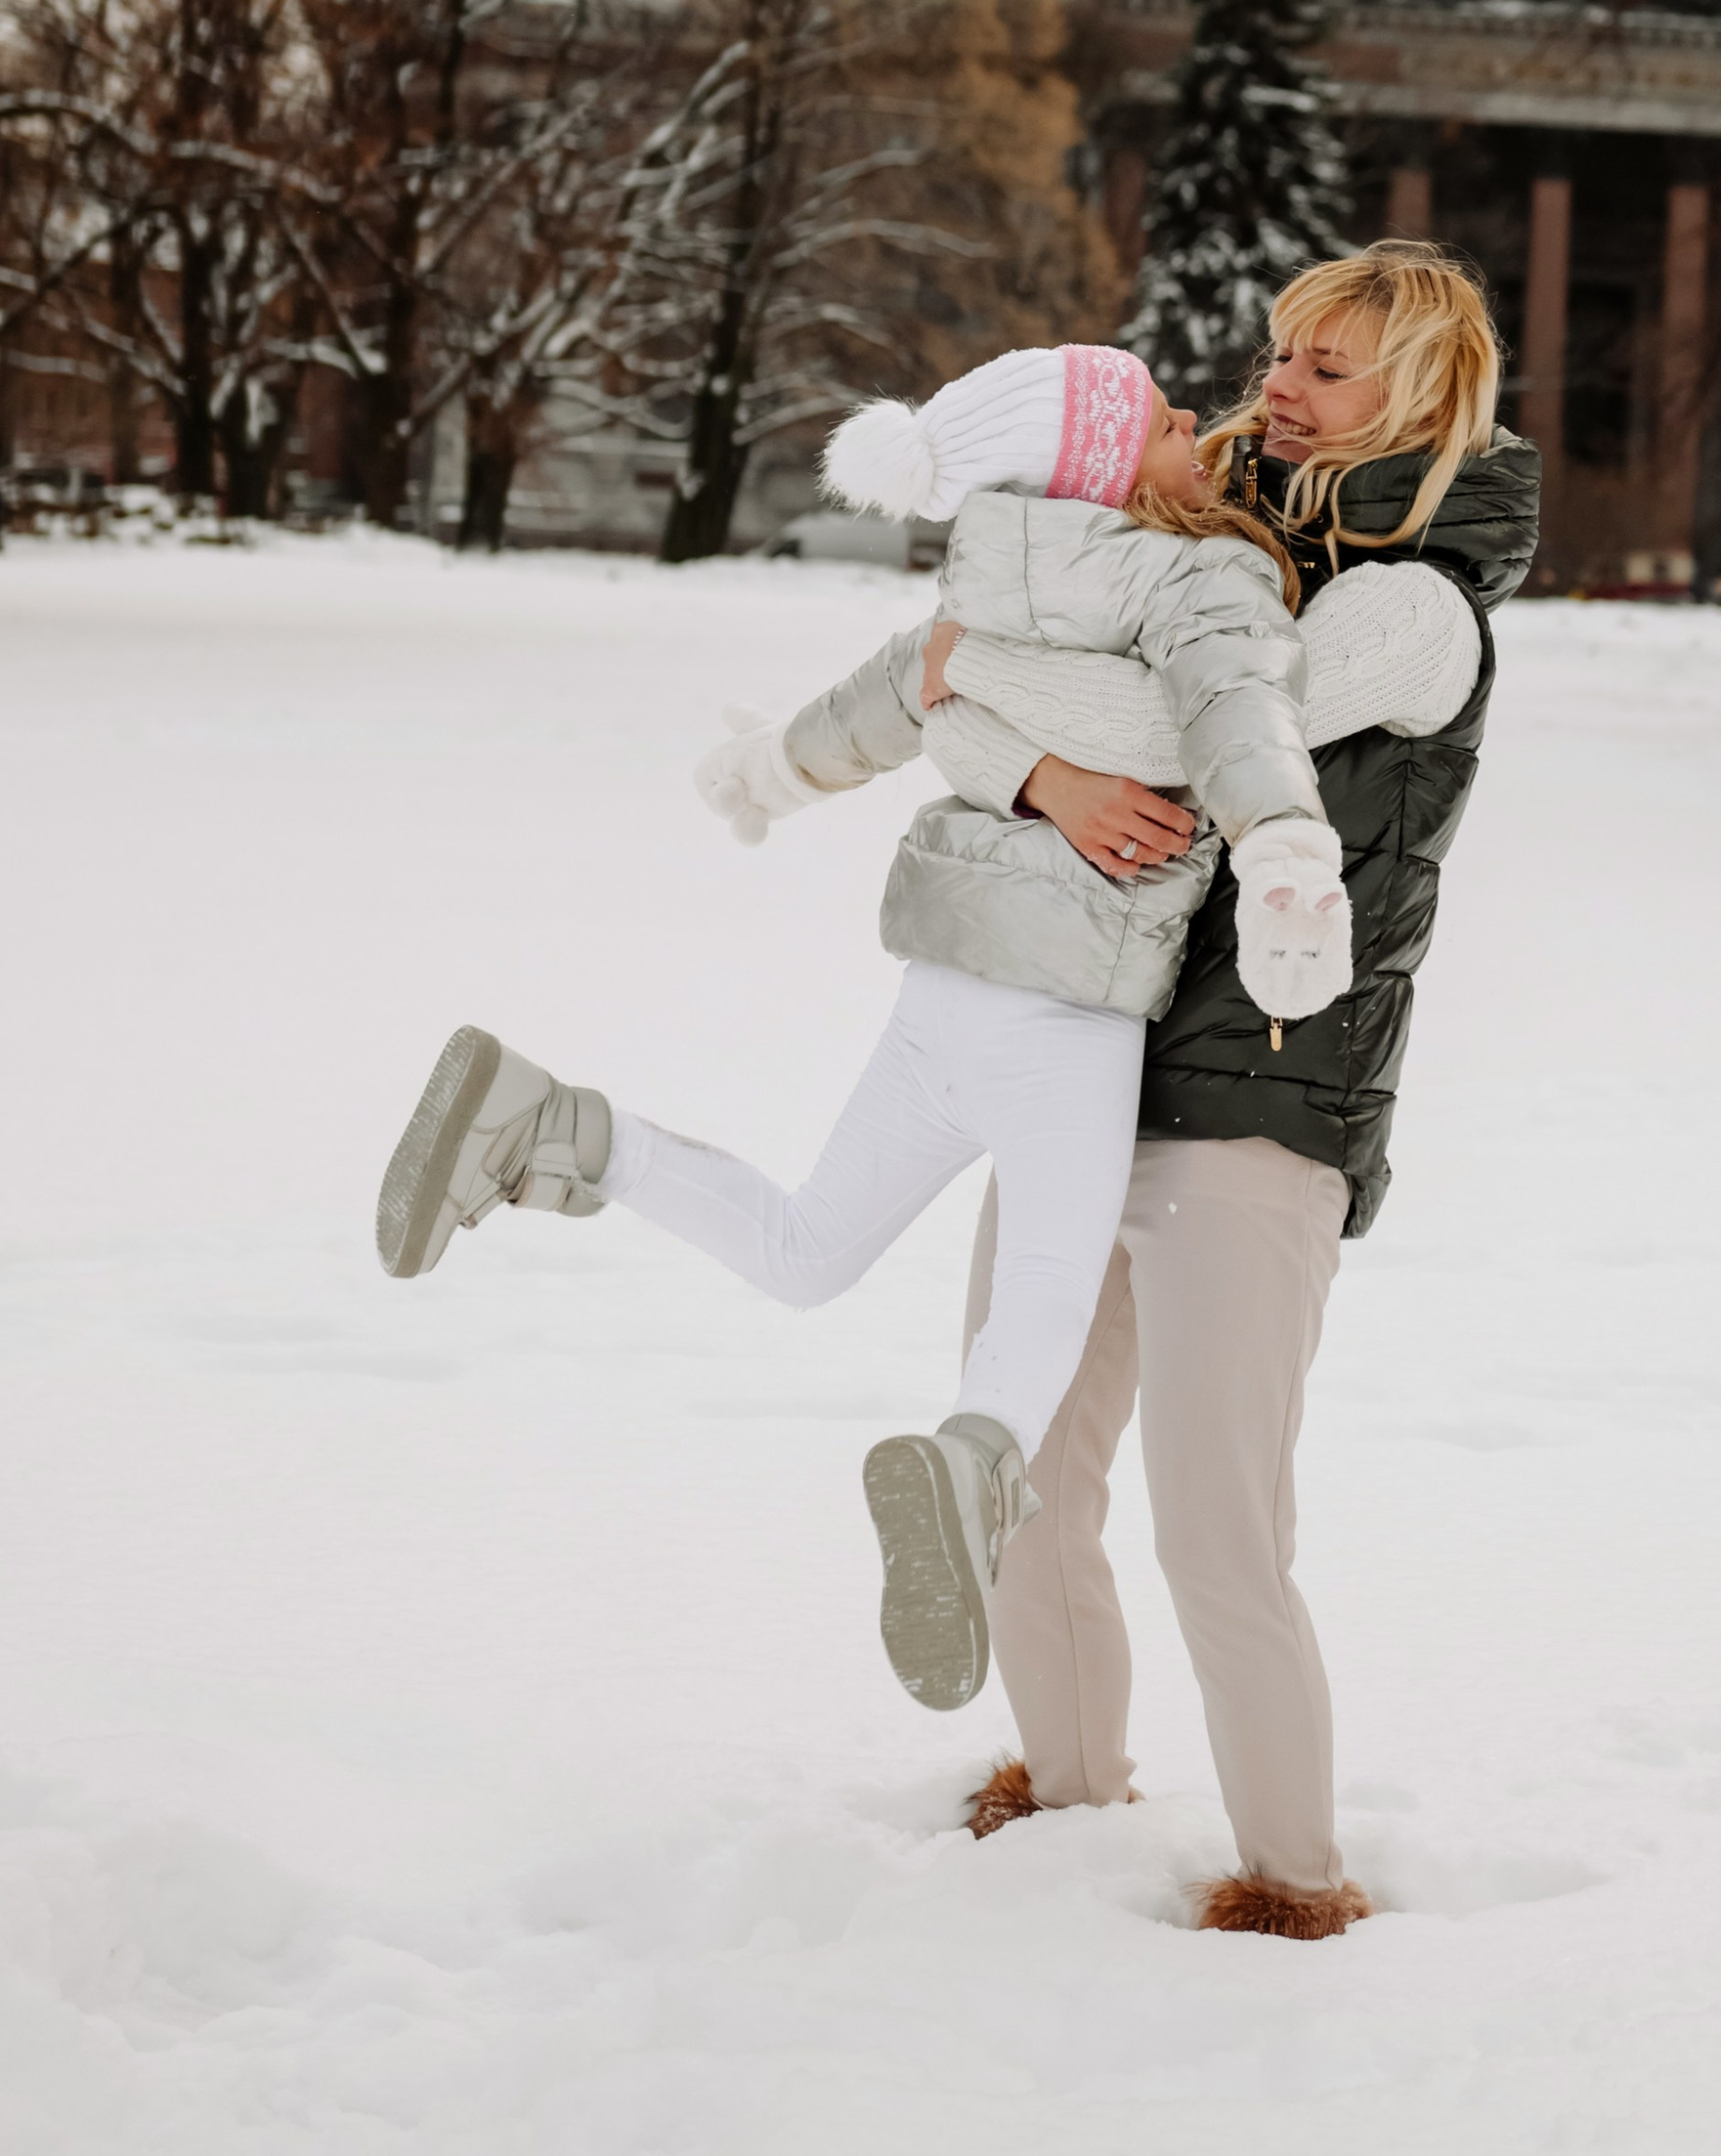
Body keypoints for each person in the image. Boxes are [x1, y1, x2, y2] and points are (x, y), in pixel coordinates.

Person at [371, 342, 1350, 1712]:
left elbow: (882, 703)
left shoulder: (981, 578)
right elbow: (1241, 713)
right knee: (1050, 1292)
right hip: (1067, 1012)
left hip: (942, 991)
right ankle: (974, 1463)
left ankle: (558, 1126)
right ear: (1107, 469)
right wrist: (1288, 839)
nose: (1196, 418)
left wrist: (768, 771)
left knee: (807, 1249)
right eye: (1161, 416)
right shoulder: (1201, 578)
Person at [925, 241, 1540, 1941]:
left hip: (1264, 1106)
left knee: (1217, 1531)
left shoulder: (1413, 608)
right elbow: (1024, 728)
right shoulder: (1225, 541)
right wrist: (1017, 742)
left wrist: (969, 670)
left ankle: (1294, 1881)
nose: (1281, 386)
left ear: (1420, 400)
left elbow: (1191, 726)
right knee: (1025, 1473)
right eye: (1283, 354)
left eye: (1329, 372)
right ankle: (1060, 1797)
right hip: (1087, 1065)